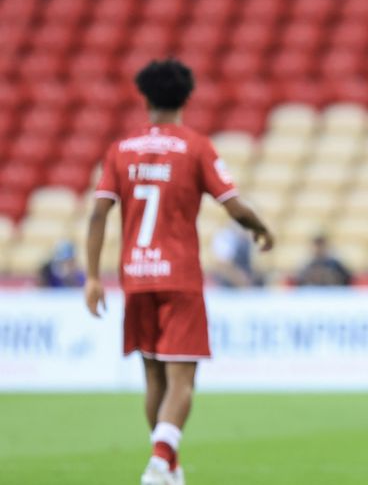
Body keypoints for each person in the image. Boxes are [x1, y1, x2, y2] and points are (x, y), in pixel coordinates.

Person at [84, 59, 274, 485]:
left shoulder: (121, 149)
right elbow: (233, 205)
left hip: (135, 274)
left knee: (153, 375)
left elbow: (98, 214)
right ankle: (160, 459)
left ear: (145, 98)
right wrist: (261, 228)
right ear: (186, 98)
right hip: (179, 276)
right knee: (182, 378)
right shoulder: (195, 146)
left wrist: (93, 277)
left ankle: (169, 465)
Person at [209, 222, 264, 287]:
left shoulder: (249, 237)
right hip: (228, 282)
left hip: (246, 279)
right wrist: (239, 279)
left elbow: (255, 265)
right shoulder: (225, 237)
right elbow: (223, 265)